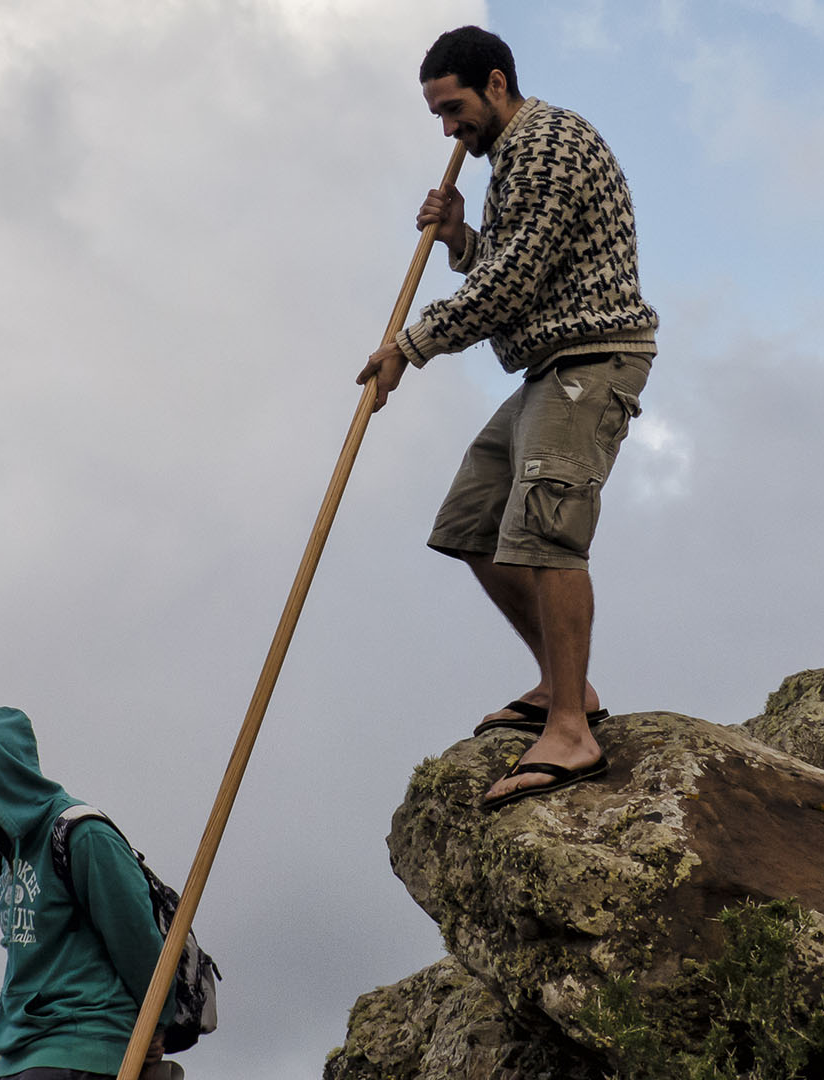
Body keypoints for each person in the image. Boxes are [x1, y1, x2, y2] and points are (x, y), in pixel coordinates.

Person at [356, 25, 659, 810]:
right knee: (471, 520)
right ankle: (571, 689)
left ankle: (570, 732)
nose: (449, 131)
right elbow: (515, 261)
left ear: (495, 83)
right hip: (547, 366)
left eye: (453, 110)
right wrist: (460, 238)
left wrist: (408, 347)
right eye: (437, 118)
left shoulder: (550, 143)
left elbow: (515, 283)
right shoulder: (515, 160)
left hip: (591, 362)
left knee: (547, 535)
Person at [0, 706, 172, 1080]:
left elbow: (137, 942)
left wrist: (158, 1020)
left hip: (84, 1046)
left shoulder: (84, 836)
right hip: (18, 1052)